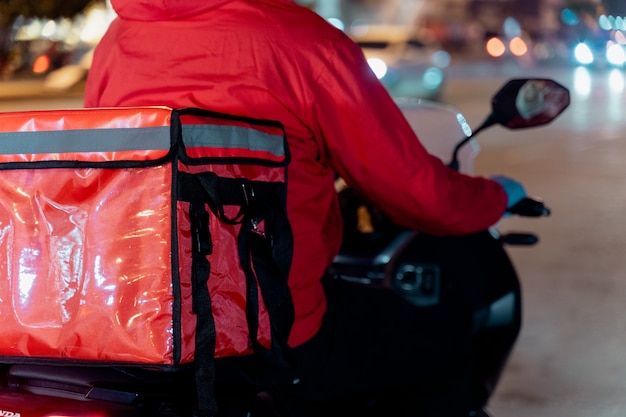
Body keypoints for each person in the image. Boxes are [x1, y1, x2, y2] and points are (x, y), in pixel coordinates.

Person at [84, 1, 526, 415]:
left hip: (148, 327)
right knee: (450, 334)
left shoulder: (117, 43)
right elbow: (419, 194)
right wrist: (496, 195)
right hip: (277, 335)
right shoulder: (306, 43)